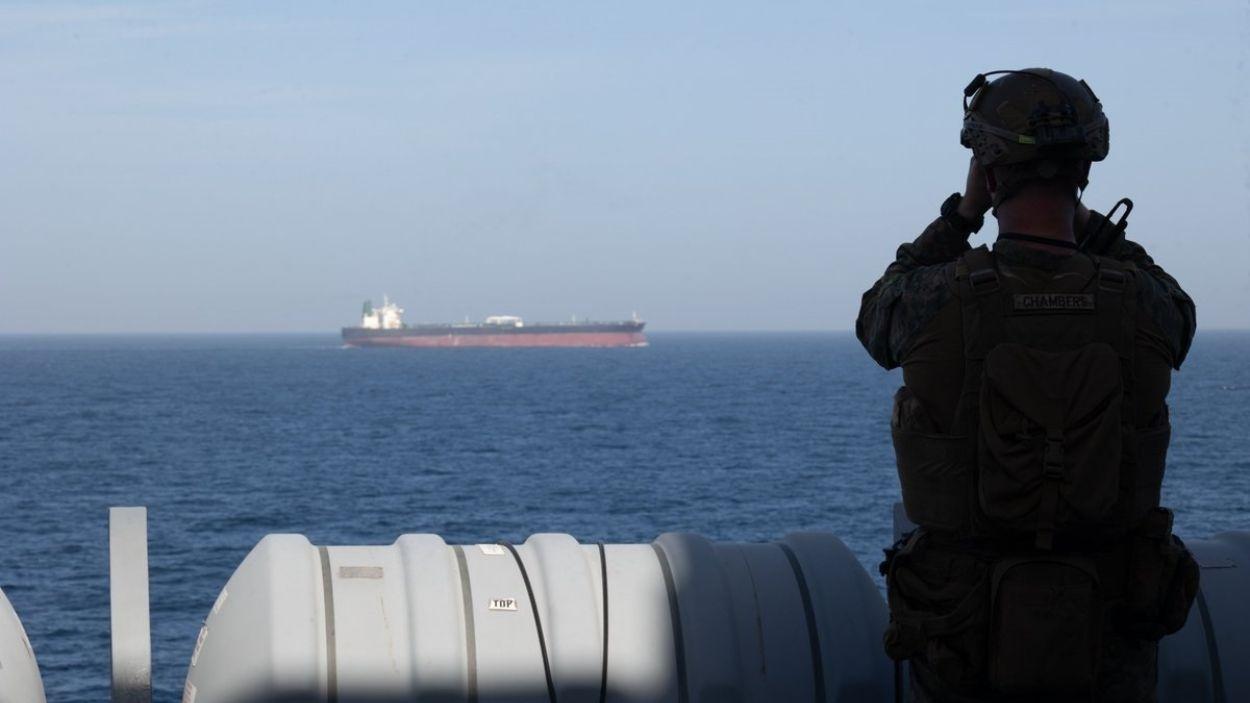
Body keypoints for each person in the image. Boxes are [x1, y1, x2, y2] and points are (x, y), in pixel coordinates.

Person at [857, 68, 1199, 702]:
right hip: (1112, 631)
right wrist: (1093, 227)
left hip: (963, 634)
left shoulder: (933, 299)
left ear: (989, 177)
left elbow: (875, 317)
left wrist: (962, 216)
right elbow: (1182, 317)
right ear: (1085, 173)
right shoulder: (1145, 303)